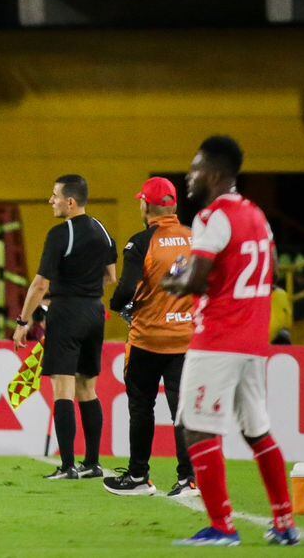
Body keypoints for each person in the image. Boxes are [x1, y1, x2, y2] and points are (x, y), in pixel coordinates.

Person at [161, 136, 300, 546]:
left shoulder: (212, 216)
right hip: (254, 340)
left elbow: (199, 278)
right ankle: (284, 523)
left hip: (219, 337)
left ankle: (222, 526)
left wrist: (176, 281)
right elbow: (270, 269)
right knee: (258, 429)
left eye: (196, 168)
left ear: (216, 174)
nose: (190, 176)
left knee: (198, 428)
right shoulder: (257, 214)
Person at [11, 175, 117, 480]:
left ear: (70, 202)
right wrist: (84, 289)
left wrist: (23, 321)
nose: (51, 201)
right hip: (95, 312)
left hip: (67, 312)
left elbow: (41, 283)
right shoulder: (102, 231)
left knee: (63, 389)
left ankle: (68, 465)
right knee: (88, 388)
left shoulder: (60, 234)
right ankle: (93, 463)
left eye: (55, 196)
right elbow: (110, 276)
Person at [104, 177, 196, 498]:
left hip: (148, 340)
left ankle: (139, 476)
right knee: (182, 410)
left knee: (142, 407)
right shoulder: (195, 238)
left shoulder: (141, 242)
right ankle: (189, 479)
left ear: (146, 205)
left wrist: (117, 305)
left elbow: (127, 289)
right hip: (186, 339)